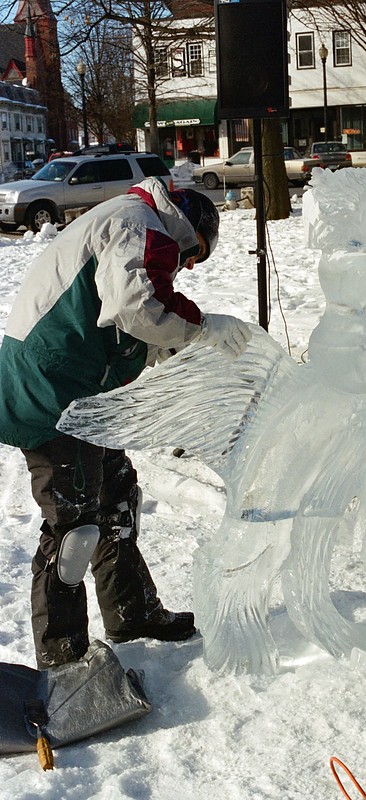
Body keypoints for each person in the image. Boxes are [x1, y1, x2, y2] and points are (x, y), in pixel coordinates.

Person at [0, 176, 252, 669]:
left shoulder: (130, 223)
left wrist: (175, 350)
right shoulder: (141, 225)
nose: (191, 264)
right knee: (74, 528)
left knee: (117, 500)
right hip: (51, 393)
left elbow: (119, 318)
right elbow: (138, 309)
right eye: (195, 253)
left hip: (82, 390)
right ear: (190, 225)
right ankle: (64, 659)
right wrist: (202, 328)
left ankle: (131, 613)